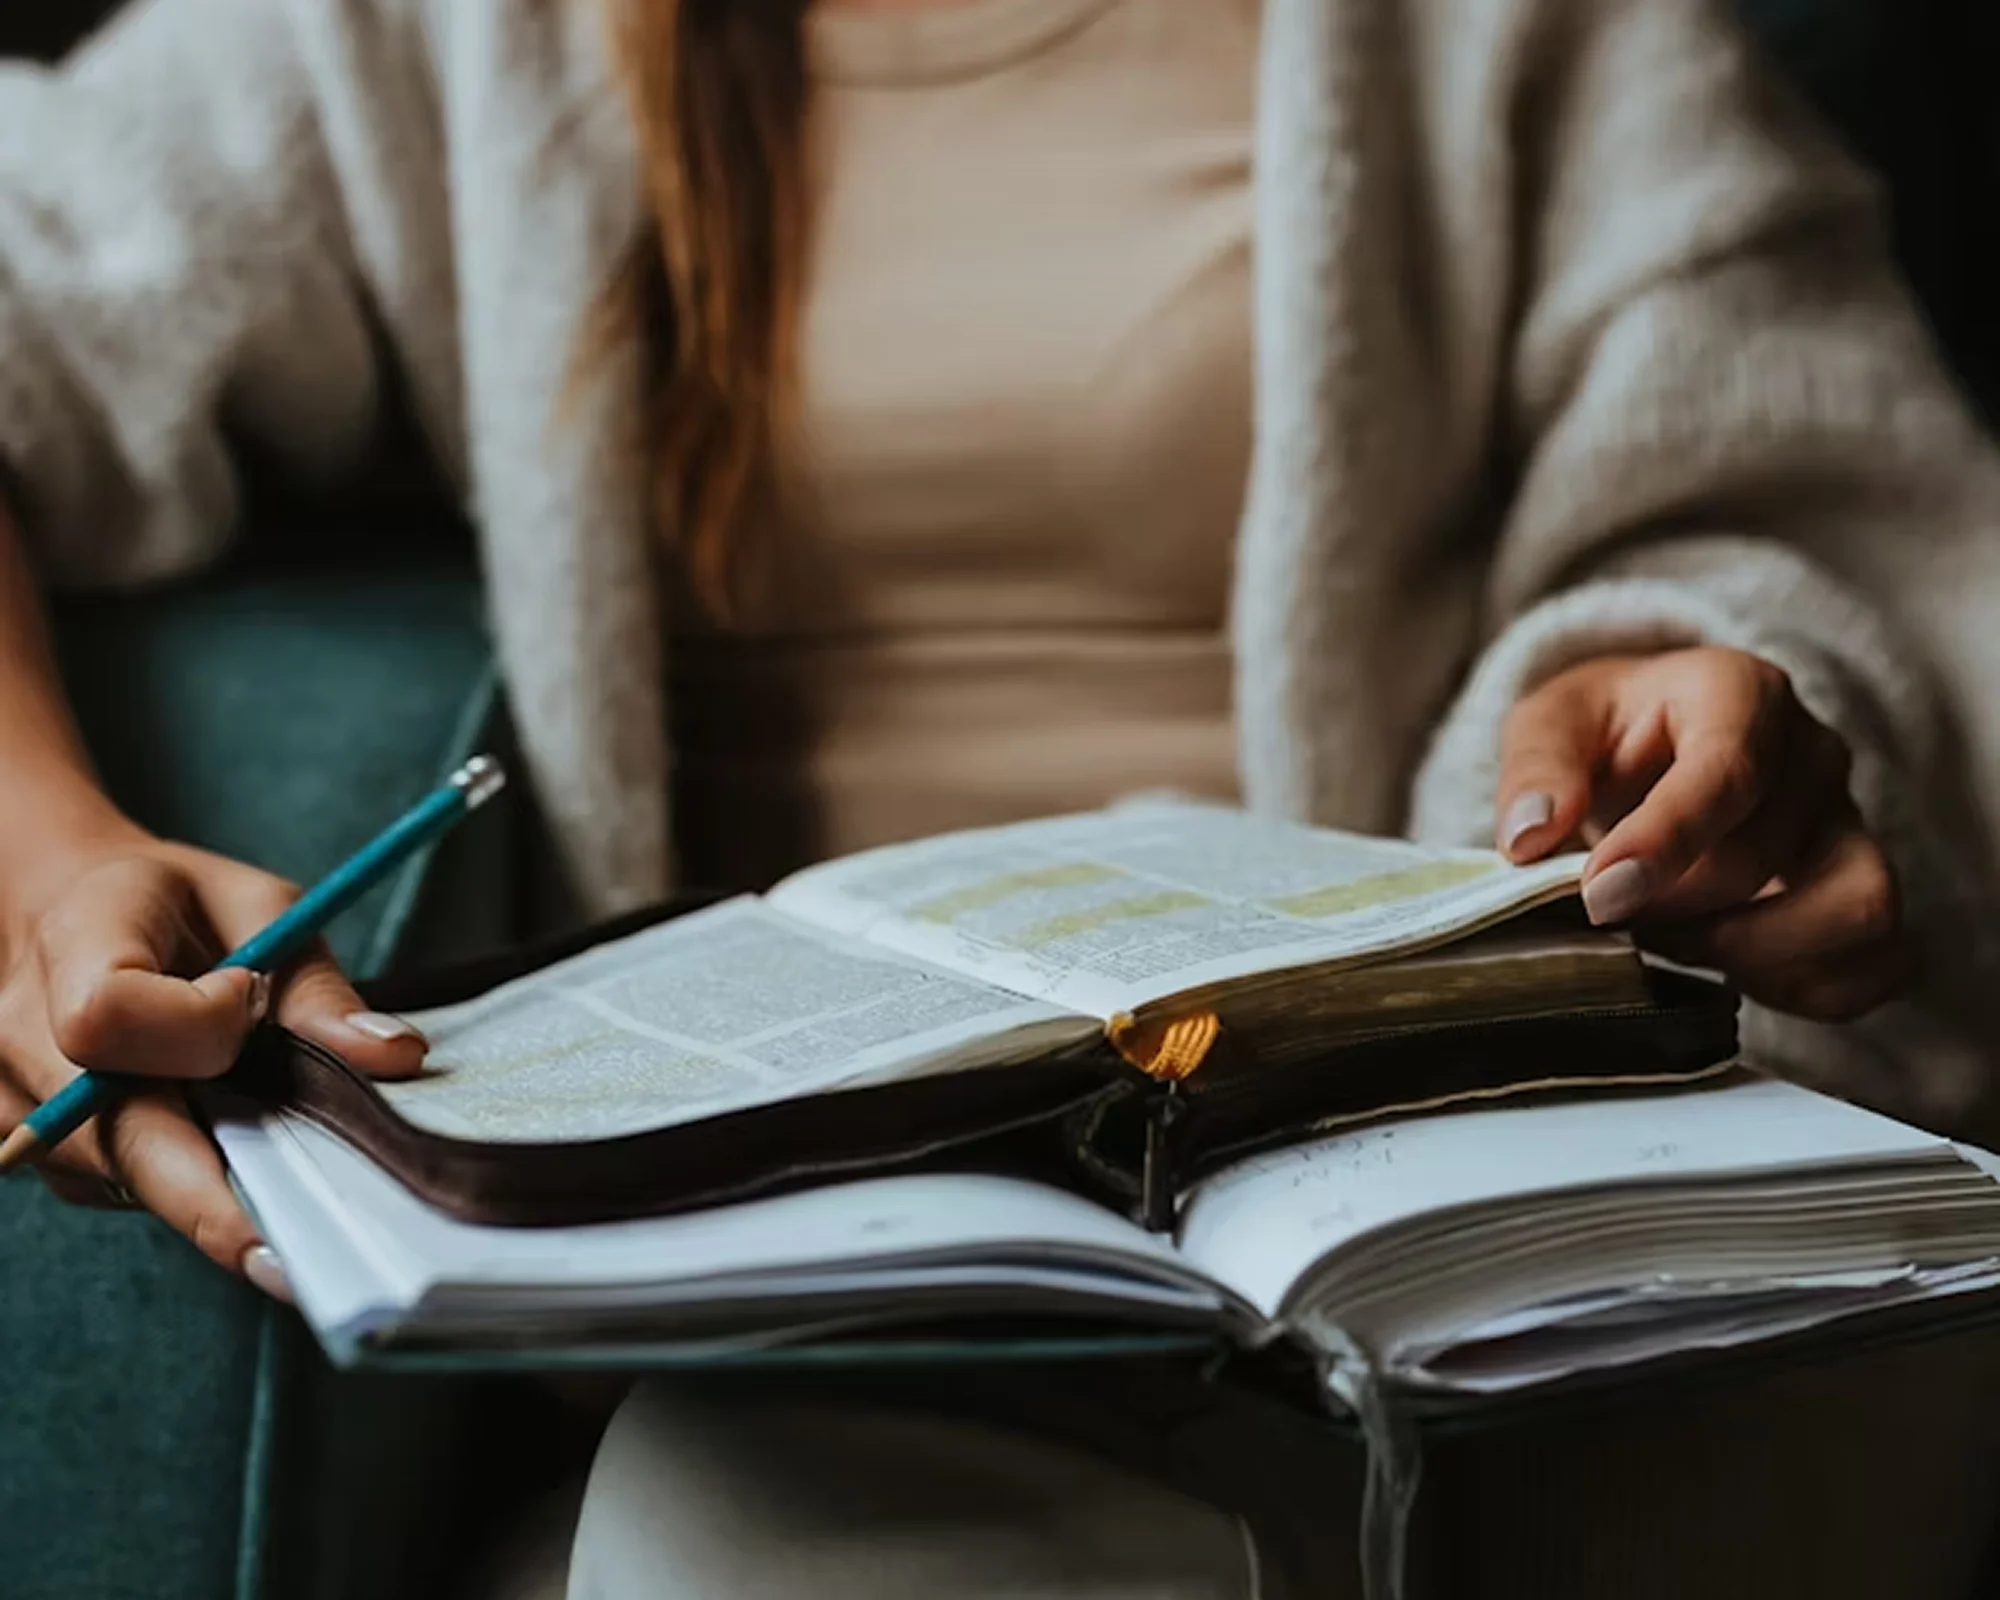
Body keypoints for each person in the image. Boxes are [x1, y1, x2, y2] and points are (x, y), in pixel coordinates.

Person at [4, 0, 2000, 1593]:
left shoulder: (1523, 33)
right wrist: (43, 847)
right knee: (766, 1527)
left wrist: (1686, 709)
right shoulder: (445, 35)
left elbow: (1804, 496)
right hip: (819, 1280)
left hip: (1456, 1203)